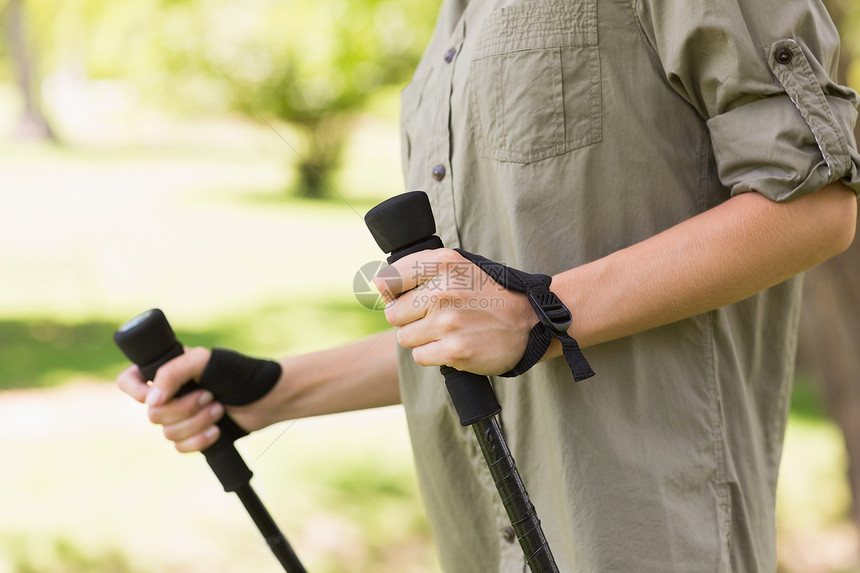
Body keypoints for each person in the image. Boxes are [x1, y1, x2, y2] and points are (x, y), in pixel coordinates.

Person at [118, 0, 860, 570]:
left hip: (646, 536)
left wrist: (539, 315)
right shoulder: (454, 20)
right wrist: (278, 390)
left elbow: (814, 206)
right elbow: (480, 327)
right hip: (481, 534)